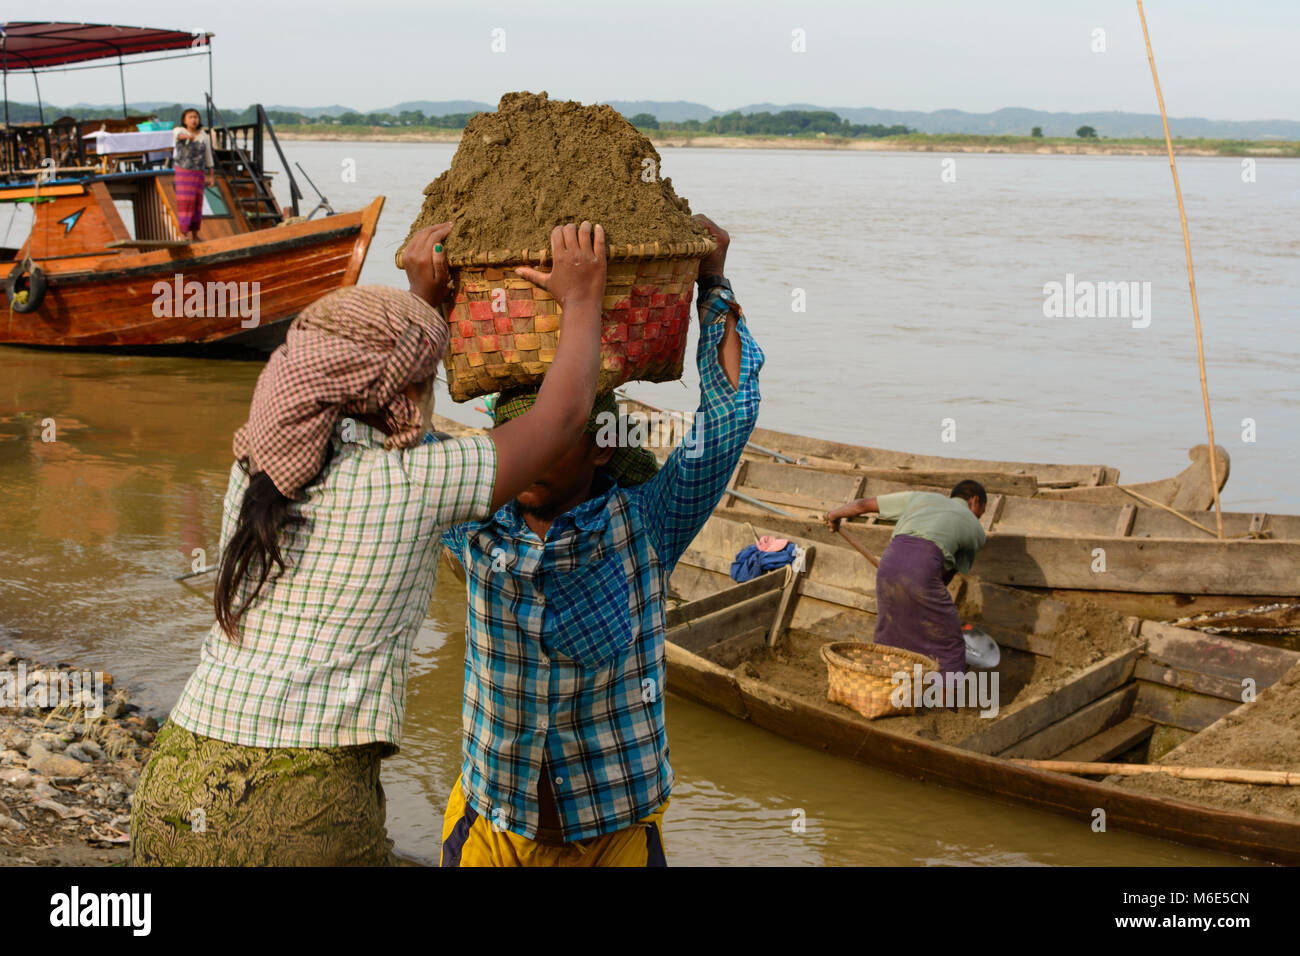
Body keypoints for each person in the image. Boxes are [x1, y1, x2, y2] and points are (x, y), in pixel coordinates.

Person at [130, 221, 609, 865]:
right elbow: (563, 420)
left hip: (179, 775)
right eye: (427, 376)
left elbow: (378, 388)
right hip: (300, 805)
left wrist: (419, 299)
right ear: (404, 395)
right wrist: (582, 301)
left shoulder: (258, 469)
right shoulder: (417, 479)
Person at [438, 214, 763, 867]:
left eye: (552, 439)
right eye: (517, 442)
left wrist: (714, 283)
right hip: (492, 829)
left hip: (614, 834)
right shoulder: (471, 523)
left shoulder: (643, 524)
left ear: (597, 450)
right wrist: (424, 300)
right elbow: (387, 433)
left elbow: (729, 415)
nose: (529, 459)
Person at [824, 481, 989, 696]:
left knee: (890, 631)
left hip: (889, 564)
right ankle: (947, 706)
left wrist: (834, 515)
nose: (978, 518)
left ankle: (880, 690)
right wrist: (921, 595)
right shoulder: (975, 529)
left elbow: (863, 505)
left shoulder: (921, 498)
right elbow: (945, 575)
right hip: (922, 568)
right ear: (975, 501)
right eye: (981, 512)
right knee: (950, 643)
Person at [172, 108, 215, 240]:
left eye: (195, 117)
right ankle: (183, 233)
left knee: (197, 202)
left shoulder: (203, 135)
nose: (193, 120)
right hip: (184, 172)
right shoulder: (179, 130)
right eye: (190, 117)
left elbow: (208, 157)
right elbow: (177, 135)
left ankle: (195, 234)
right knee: (185, 202)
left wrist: (211, 175)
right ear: (184, 120)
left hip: (198, 172)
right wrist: (187, 137)